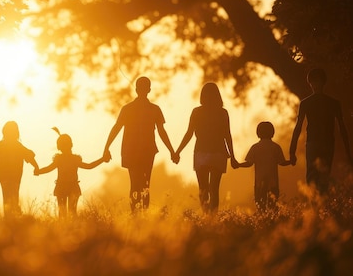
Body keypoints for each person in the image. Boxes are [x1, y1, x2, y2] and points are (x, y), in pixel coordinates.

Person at [102, 76, 175, 213]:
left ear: (136, 90)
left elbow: (116, 128)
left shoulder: (128, 108)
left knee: (135, 184)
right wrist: (172, 151)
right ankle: (142, 215)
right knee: (145, 184)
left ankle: (136, 215)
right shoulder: (154, 109)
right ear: (149, 90)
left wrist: (106, 147)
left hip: (132, 151)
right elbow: (162, 132)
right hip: (146, 151)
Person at [174, 82, 240, 214]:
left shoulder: (197, 112)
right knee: (214, 189)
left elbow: (189, 133)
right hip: (219, 154)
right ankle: (213, 218)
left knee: (203, 189)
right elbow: (227, 135)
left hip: (201, 153)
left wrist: (177, 152)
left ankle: (206, 216)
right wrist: (232, 157)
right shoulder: (222, 112)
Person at [289, 68, 352, 195]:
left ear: (310, 83)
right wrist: (348, 152)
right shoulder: (334, 103)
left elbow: (298, 127)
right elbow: (342, 128)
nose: (316, 84)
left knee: (313, 176)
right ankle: (321, 206)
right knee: (324, 175)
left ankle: (316, 207)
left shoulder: (306, 103)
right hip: (327, 144)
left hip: (314, 144)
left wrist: (292, 152)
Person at [35, 128, 108, 218]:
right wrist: (102, 159)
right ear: (71, 145)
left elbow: (48, 169)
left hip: (62, 187)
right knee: (72, 213)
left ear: (59, 147)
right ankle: (72, 230)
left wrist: (38, 171)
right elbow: (89, 166)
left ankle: (63, 230)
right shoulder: (74, 159)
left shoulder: (59, 159)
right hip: (71, 187)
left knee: (62, 214)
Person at [0, 121, 39, 218]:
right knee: (14, 198)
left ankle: (9, 219)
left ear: (4, 132)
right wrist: (36, 167)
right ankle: (14, 218)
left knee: (7, 198)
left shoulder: (2, 145)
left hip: (4, 177)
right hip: (15, 177)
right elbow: (29, 156)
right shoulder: (18, 146)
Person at [237, 121, 290, 211]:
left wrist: (238, 165)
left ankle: (262, 221)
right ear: (272, 133)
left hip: (259, 182)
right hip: (273, 182)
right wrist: (291, 162)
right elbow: (282, 162)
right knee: (273, 205)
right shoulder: (276, 147)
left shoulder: (255, 147)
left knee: (260, 205)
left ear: (258, 133)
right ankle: (272, 223)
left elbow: (249, 163)